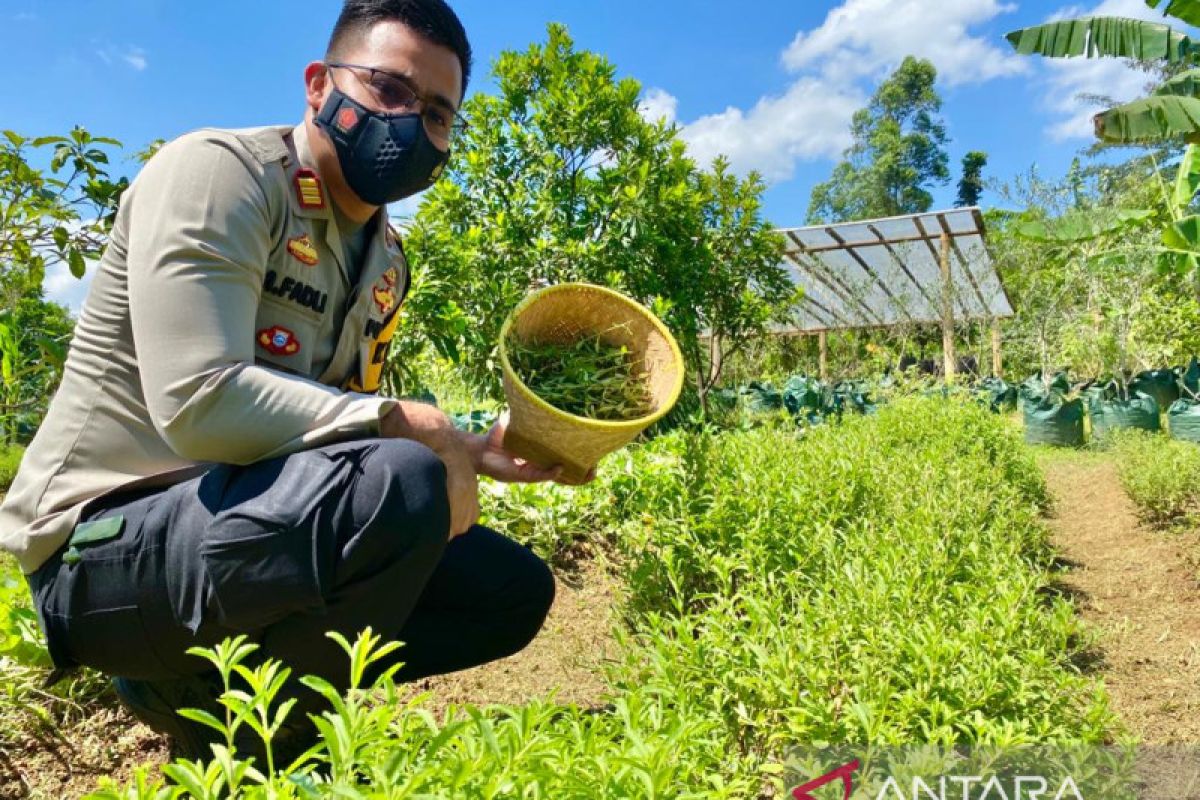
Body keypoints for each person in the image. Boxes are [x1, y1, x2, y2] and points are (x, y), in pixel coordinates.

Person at [0, 0, 583, 760]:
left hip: (234, 531)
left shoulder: (384, 259)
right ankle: (265, 748)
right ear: (319, 86)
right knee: (401, 479)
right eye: (390, 89)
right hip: (101, 552)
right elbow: (199, 403)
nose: (413, 123)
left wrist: (472, 448)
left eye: (439, 114)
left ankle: (222, 701)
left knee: (508, 591)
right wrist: (420, 430)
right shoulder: (222, 176)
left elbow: (326, 428)